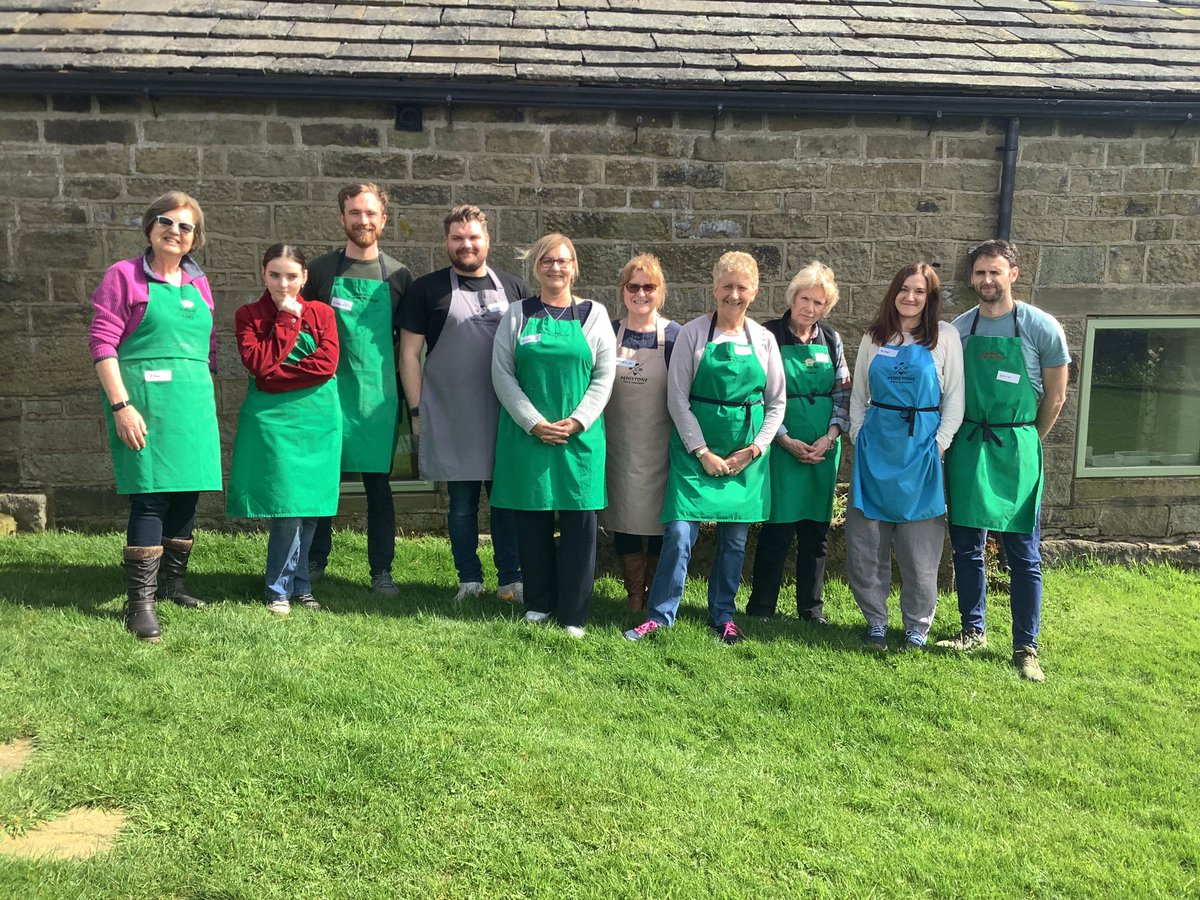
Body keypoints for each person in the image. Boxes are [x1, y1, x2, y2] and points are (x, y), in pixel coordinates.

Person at [624, 252, 785, 646]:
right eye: (726, 286)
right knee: (679, 533)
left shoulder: (764, 340)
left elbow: (777, 401)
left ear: (755, 292)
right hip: (696, 454)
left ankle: (723, 616)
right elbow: (677, 398)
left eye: (741, 287)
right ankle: (660, 615)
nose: (733, 295)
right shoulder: (694, 335)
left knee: (734, 540)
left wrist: (755, 449)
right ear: (714, 289)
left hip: (744, 458)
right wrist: (702, 451)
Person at [89, 191, 221, 642]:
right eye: (166, 221)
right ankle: (140, 602)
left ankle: (173, 584)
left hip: (192, 405)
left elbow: (210, 349)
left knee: (187, 494)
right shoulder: (123, 276)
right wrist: (121, 406)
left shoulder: (198, 283)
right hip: (143, 403)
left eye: (185, 226)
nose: (174, 231)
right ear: (150, 226)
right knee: (151, 496)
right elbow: (103, 345)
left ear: (194, 239)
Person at [936, 240, 1070, 682]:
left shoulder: (1041, 327)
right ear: (971, 278)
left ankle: (1025, 646)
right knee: (967, 547)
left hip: (1016, 446)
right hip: (968, 444)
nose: (987, 281)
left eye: (995, 272)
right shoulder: (959, 329)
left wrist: (1026, 439)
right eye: (979, 273)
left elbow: (1056, 396)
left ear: (1013, 274)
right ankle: (973, 631)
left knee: (1023, 553)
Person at [399, 206, 528, 603]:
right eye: (457, 238)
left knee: (506, 502)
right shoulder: (426, 289)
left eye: (473, 237)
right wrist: (419, 412)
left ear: (487, 240)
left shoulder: (514, 287)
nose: (466, 245)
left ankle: (511, 581)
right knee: (462, 504)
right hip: (454, 415)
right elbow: (408, 355)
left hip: (506, 415)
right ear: (446, 242)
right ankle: (469, 580)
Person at [490, 233, 615, 638]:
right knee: (532, 519)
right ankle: (540, 603)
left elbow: (604, 376)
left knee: (580, 524)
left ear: (575, 266)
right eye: (547, 261)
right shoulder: (517, 314)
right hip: (528, 436)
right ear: (536, 267)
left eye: (563, 261)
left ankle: (574, 614)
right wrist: (532, 422)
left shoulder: (593, 315)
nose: (555, 267)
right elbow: (502, 374)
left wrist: (577, 421)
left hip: (579, 439)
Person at [301, 183, 412, 596]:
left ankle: (381, 569)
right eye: (354, 213)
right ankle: (314, 560)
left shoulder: (399, 276)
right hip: (327, 392)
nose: (362, 221)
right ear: (341, 218)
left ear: (383, 220)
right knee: (321, 482)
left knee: (378, 489)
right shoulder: (321, 272)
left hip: (378, 398)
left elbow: (409, 343)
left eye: (370, 213)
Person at [847, 263, 964, 652]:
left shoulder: (944, 337)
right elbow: (859, 394)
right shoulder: (873, 337)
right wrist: (859, 434)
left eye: (920, 291)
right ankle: (875, 621)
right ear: (893, 292)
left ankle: (917, 626)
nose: (910, 297)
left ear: (930, 298)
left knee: (920, 550)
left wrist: (940, 445)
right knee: (867, 545)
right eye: (904, 289)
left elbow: (955, 400)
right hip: (876, 450)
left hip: (922, 453)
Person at [227, 245, 342, 616]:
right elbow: (258, 362)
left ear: (304, 277)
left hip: (318, 421)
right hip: (275, 423)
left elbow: (326, 365)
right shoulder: (249, 315)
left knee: (310, 508)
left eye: (292, 276)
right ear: (263, 274)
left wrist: (275, 378)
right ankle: (278, 588)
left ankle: (301, 586)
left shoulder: (323, 313)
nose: (284, 283)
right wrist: (287, 322)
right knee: (287, 506)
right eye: (275, 275)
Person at [747, 261, 850, 624]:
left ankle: (811, 609)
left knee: (815, 533)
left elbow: (843, 394)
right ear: (792, 297)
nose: (810, 308)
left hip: (823, 450)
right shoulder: (767, 335)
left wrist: (830, 436)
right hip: (781, 448)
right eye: (805, 298)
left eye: (819, 303)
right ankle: (761, 607)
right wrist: (785, 439)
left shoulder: (832, 340)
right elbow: (757, 393)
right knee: (777, 531)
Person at [600, 254, 680, 611]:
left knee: (662, 521)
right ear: (623, 291)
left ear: (660, 292)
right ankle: (635, 594)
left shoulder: (676, 336)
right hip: (618, 446)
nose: (641, 293)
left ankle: (655, 591)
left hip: (662, 446)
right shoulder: (607, 332)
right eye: (634, 286)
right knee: (625, 520)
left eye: (649, 286)